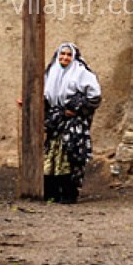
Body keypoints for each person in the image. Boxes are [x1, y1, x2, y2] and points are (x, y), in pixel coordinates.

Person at [43, 42, 101, 204]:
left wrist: (75, 109)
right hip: (55, 121)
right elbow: (44, 95)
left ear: (74, 57)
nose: (65, 58)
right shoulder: (50, 72)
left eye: (69, 55)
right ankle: (51, 193)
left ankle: (69, 193)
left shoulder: (81, 73)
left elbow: (94, 96)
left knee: (70, 156)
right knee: (51, 156)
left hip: (73, 123)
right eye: (62, 54)